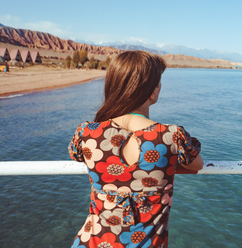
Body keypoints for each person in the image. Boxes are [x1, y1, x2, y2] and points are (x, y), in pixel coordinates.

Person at [68, 51, 203, 248]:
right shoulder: (171, 136)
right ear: (152, 91)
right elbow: (196, 165)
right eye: (158, 82)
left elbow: (76, 155)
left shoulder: (87, 133)